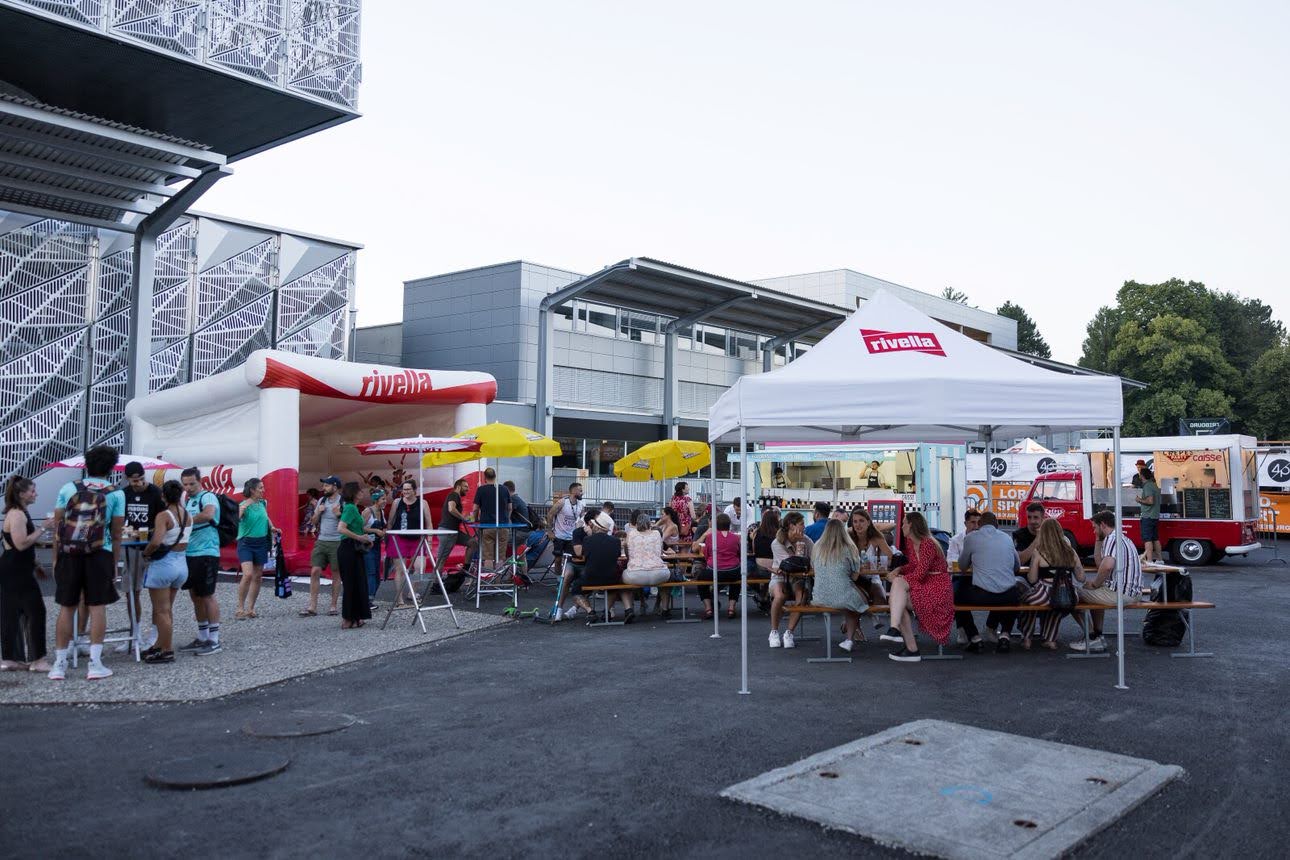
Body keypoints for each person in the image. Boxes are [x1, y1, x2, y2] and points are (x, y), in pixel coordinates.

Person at [48, 445, 125, 680]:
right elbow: (117, 531)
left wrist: (55, 558)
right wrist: (114, 562)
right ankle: (95, 664)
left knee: (66, 606)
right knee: (97, 605)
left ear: (86, 464)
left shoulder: (68, 488)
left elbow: (59, 527)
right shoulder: (116, 494)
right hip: (100, 551)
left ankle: (59, 665)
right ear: (111, 468)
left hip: (69, 553)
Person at [880, 511, 954, 663]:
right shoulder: (911, 543)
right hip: (926, 585)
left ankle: (898, 633)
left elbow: (919, 574)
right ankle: (908, 645)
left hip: (937, 588)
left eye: (903, 523)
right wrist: (899, 570)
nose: (901, 526)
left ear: (911, 525)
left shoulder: (927, 543)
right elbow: (913, 566)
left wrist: (898, 577)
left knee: (897, 591)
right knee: (897, 599)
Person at [1070, 510, 1143, 653]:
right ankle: (1098, 636)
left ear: (1102, 524)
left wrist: (1095, 583)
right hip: (1131, 591)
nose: (1093, 531)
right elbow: (1100, 564)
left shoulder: (1112, 539)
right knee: (1094, 592)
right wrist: (1098, 539)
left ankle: (1092, 638)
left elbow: (1107, 566)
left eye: (1094, 527)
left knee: (1071, 595)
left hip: (1122, 594)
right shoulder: (1122, 538)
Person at [1, 477, 52, 673]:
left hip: (15, 569)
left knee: (12, 613)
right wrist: (44, 527)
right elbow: (21, 544)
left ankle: (11, 658)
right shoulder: (18, 515)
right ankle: (37, 660)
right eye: (32, 491)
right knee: (36, 612)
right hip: (15, 571)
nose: (35, 494)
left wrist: (36, 563)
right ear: (21, 494)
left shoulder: (20, 513)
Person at [954, 512, 1021, 653]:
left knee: (958, 596)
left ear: (979, 524)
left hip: (981, 595)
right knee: (1012, 592)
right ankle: (1005, 635)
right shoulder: (1006, 538)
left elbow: (962, 566)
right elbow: (1017, 567)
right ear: (997, 525)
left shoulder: (971, 538)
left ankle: (975, 638)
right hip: (1008, 596)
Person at [139, 480, 190, 664]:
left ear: (163, 496)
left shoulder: (164, 515)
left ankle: (166, 649)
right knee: (167, 610)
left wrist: (145, 554)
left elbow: (156, 541)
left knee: (161, 611)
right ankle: (160, 644)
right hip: (181, 564)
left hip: (164, 565)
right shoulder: (187, 515)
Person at [119, 461, 164, 651]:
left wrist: (153, 531)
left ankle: (154, 633)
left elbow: (164, 519)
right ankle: (134, 633)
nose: (137, 483)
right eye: (134, 481)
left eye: (140, 480)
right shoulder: (124, 493)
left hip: (153, 547)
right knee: (131, 591)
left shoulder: (155, 493)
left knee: (156, 592)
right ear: (127, 479)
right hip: (131, 545)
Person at [179, 468, 222, 656]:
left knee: (207, 595)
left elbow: (208, 515)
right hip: (190, 553)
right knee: (195, 595)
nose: (188, 488)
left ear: (200, 481)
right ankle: (202, 635)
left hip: (207, 552)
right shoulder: (188, 499)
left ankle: (214, 639)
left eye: (191, 484)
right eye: (185, 484)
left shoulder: (208, 497)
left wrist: (184, 521)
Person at [1023, 518, 1083, 650]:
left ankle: (1027, 637)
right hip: (1069, 595)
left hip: (1044, 593)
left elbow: (1032, 579)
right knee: (1056, 605)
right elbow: (1081, 577)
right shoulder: (1071, 552)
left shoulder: (1039, 552)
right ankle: (1050, 639)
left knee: (1026, 602)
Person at [809, 519, 867, 652]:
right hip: (843, 597)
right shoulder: (849, 547)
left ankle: (848, 630)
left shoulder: (817, 546)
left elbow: (814, 570)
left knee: (851, 599)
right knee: (860, 601)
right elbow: (855, 576)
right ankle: (849, 639)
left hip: (819, 597)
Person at [567, 512, 630, 622]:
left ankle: (590, 610)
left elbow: (583, 555)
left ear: (596, 526)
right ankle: (607, 610)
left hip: (590, 577)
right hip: (611, 577)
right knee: (614, 587)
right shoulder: (615, 541)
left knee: (575, 590)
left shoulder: (587, 540)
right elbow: (617, 556)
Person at [235, 477, 279, 620]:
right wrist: (240, 512)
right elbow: (237, 520)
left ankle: (251, 608)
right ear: (252, 490)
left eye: (263, 487)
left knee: (258, 576)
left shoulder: (262, 503)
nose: (263, 490)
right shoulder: (243, 505)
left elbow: (266, 518)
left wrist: (272, 527)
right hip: (246, 543)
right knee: (247, 574)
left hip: (261, 543)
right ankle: (240, 608)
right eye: (260, 488)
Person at [300, 476, 343, 617]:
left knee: (336, 573)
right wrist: (318, 512)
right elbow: (313, 521)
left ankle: (333, 605)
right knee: (315, 571)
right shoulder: (321, 500)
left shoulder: (342, 501)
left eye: (326, 485)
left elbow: (349, 522)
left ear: (335, 487)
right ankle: (312, 606)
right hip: (321, 540)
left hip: (337, 541)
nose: (323, 488)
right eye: (324, 485)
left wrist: (338, 515)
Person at [768, 511, 812, 648]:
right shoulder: (777, 542)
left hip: (798, 577)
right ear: (791, 526)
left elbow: (815, 559)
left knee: (802, 596)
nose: (804, 527)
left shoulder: (807, 540)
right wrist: (800, 550)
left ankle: (789, 632)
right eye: (802, 524)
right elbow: (788, 566)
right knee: (780, 595)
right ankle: (774, 631)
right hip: (780, 576)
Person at [387, 479, 431, 606]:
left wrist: (430, 539)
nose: (405, 492)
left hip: (417, 538)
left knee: (420, 568)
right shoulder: (397, 502)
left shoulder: (423, 503)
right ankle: (399, 598)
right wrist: (388, 537)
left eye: (408, 489)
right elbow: (391, 520)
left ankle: (412, 591)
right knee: (400, 569)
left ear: (414, 490)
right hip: (399, 538)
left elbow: (429, 522)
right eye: (404, 489)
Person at [336, 482, 375, 629]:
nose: (362, 493)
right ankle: (348, 617)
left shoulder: (353, 508)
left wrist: (365, 536)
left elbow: (355, 528)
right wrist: (360, 538)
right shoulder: (351, 508)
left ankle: (355, 616)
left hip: (354, 549)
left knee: (357, 583)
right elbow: (341, 528)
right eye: (360, 491)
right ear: (355, 493)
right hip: (348, 549)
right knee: (352, 584)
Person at [693, 513, 743, 620]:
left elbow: (707, 554)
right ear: (729, 524)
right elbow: (739, 554)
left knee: (701, 580)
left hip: (714, 570)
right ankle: (731, 608)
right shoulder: (735, 538)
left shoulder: (711, 537)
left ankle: (708, 608)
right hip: (733, 570)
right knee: (737, 581)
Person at [847, 506, 892, 606]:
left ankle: (876, 622)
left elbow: (891, 557)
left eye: (861, 521)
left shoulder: (876, 537)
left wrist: (881, 565)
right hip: (853, 579)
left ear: (868, 522)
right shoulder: (848, 537)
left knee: (880, 601)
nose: (858, 524)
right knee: (857, 602)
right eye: (855, 521)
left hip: (872, 578)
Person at [472, 468, 512, 571]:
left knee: (488, 556)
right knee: (501, 556)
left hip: (487, 527)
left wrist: (475, 518)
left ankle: (489, 580)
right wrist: (507, 518)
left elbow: (475, 508)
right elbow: (510, 507)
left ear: (485, 477)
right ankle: (498, 580)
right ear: (495, 476)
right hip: (503, 526)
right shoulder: (504, 489)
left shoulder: (481, 490)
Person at [623, 512, 670, 594]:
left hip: (636, 574)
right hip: (659, 573)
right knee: (668, 580)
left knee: (622, 577)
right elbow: (660, 553)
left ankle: (629, 606)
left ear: (637, 523)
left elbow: (627, 553)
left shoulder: (631, 534)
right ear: (649, 523)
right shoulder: (657, 533)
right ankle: (663, 605)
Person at [551, 482, 585, 579]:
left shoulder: (581, 505)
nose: (583, 493)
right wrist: (549, 531)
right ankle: (558, 579)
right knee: (558, 559)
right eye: (581, 490)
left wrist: (582, 524)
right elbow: (550, 514)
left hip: (572, 537)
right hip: (559, 536)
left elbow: (583, 518)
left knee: (571, 560)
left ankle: (567, 579)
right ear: (574, 491)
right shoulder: (562, 502)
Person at [435, 477, 470, 574]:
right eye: (465, 487)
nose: (468, 489)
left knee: (473, 543)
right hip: (447, 532)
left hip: (454, 532)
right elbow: (451, 508)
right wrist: (463, 518)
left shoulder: (456, 496)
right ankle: (435, 584)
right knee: (441, 560)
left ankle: (465, 570)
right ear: (458, 487)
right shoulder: (454, 494)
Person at [362, 489, 388, 607]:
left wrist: (383, 532)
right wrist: (375, 530)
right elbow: (359, 527)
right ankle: (367, 600)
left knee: (377, 573)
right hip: (367, 546)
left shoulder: (382, 512)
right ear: (376, 500)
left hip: (377, 545)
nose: (385, 501)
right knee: (371, 572)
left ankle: (370, 598)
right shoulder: (368, 511)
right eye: (383, 499)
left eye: (385, 499)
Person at [1136, 467, 1162, 564]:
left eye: (1139, 474)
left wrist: (1139, 500)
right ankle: (1159, 560)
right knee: (1155, 538)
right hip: (1154, 516)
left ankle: (1149, 560)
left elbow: (1150, 501)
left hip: (1148, 516)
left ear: (1142, 476)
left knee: (1147, 539)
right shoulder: (1154, 485)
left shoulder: (1147, 486)